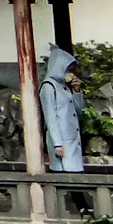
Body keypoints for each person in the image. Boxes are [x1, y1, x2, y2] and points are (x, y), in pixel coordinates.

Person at [39, 46, 85, 174]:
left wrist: (76, 91)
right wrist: (57, 144)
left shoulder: (64, 87)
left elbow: (79, 110)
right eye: (68, 69)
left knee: (75, 173)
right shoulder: (48, 87)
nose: (70, 73)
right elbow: (50, 117)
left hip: (72, 139)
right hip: (61, 141)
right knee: (64, 173)